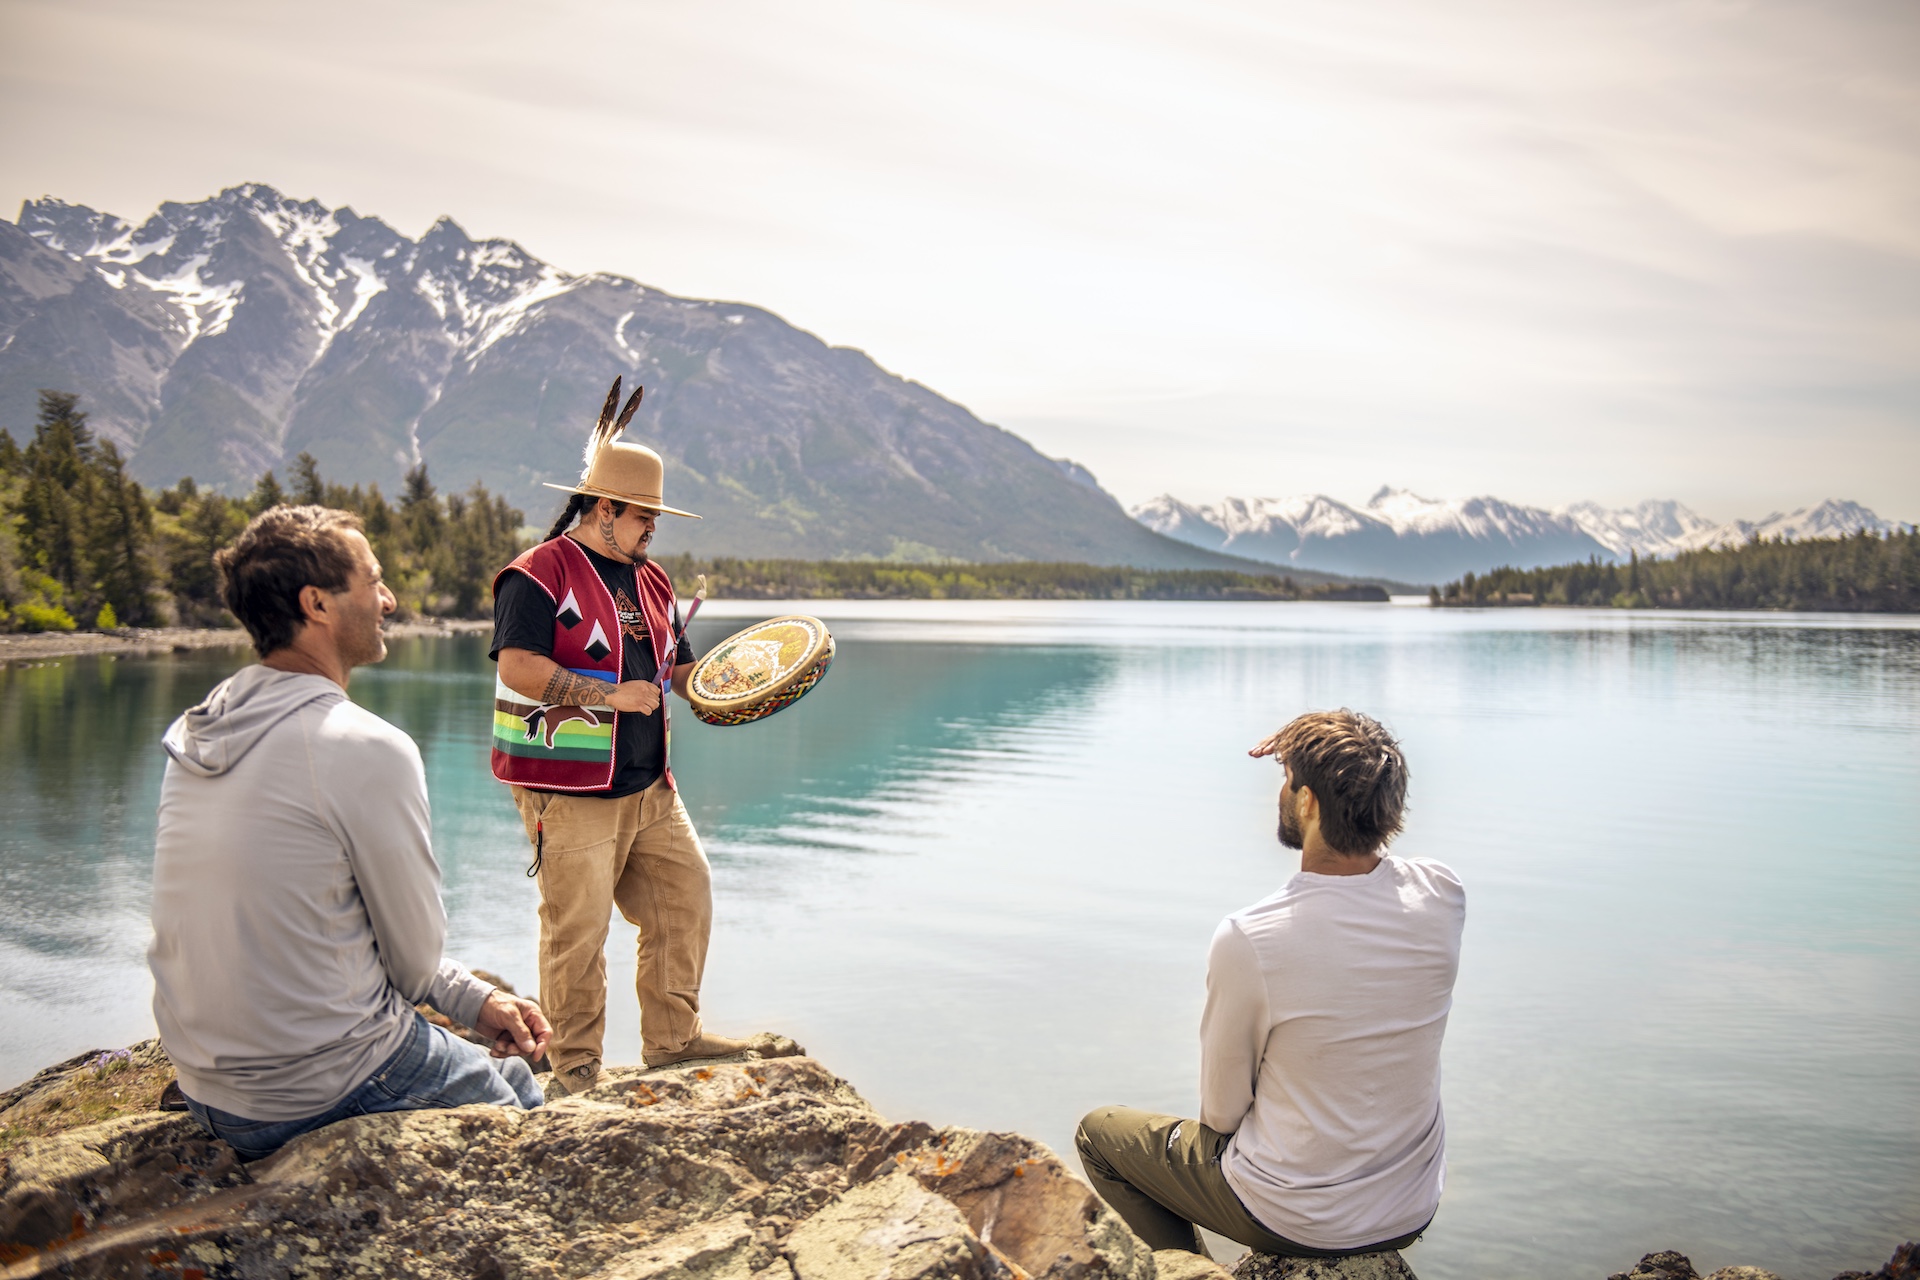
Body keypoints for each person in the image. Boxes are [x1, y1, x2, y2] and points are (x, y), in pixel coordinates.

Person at [149, 505, 552, 1162]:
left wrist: (472, 998)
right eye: (373, 580)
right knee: (522, 1098)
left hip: (208, 1090)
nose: (389, 600)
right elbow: (414, 962)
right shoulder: (364, 746)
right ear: (318, 605)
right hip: (319, 1087)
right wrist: (464, 998)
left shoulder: (201, 731)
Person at [1076, 709, 1464, 1260]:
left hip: (1298, 1218)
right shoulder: (1442, 895)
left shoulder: (1251, 938)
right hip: (1409, 1208)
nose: (1280, 794)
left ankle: (1192, 1273)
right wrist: (1331, 755)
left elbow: (1222, 1114)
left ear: (1307, 803)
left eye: (1288, 781)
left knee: (1100, 1135)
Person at [490, 377, 747, 1097]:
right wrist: (610, 696)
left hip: (649, 785)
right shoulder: (537, 575)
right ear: (604, 509)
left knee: (684, 897)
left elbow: (685, 670)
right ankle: (575, 1076)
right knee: (577, 933)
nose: (653, 528)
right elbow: (518, 668)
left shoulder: (654, 581)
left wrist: (743, 687)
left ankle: (673, 1041)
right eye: (643, 515)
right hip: (568, 790)